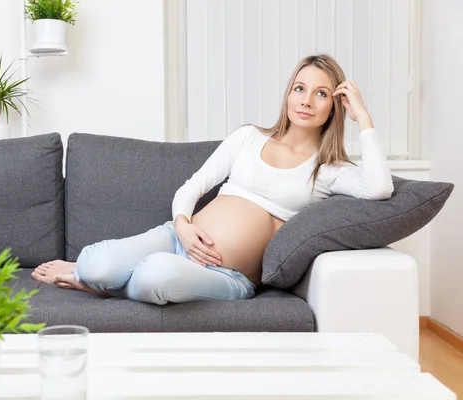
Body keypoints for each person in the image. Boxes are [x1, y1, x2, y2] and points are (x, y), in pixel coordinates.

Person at [31, 54, 394, 305]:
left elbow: (379, 188)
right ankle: (90, 276)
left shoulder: (328, 169)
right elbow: (193, 186)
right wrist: (183, 226)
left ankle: (102, 287)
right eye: (299, 88)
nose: (306, 101)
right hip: (176, 239)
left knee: (153, 276)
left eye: (321, 93)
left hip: (228, 275)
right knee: (95, 264)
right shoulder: (248, 137)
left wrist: (363, 117)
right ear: (288, 93)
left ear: (335, 106)